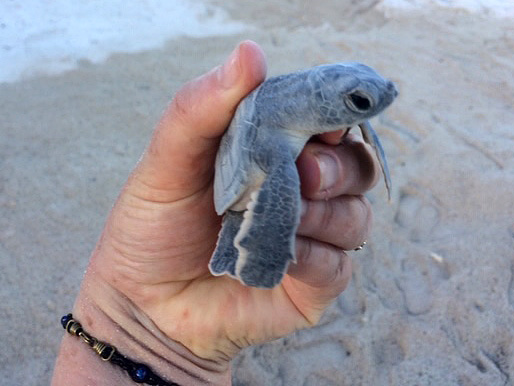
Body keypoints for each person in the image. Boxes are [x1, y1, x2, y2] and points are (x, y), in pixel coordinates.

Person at [52, 40, 380, 385]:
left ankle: (247, 242)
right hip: (250, 169)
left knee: (294, 196)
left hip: (251, 176)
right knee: (281, 198)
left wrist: (147, 334)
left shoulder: (329, 111)